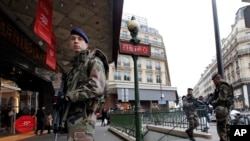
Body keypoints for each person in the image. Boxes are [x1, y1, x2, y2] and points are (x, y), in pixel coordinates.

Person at [62, 27, 109, 141]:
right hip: (72, 117)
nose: (76, 41)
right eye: (73, 39)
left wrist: (71, 96)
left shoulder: (93, 61)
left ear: (86, 44)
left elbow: (96, 87)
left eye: (80, 39)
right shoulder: (74, 69)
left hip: (84, 117)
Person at [210, 73, 233, 141]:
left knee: (222, 129)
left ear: (218, 78)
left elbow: (221, 99)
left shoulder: (223, 86)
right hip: (223, 110)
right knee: (225, 129)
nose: (213, 82)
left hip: (223, 110)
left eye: (214, 80)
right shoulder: (219, 87)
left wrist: (213, 103)